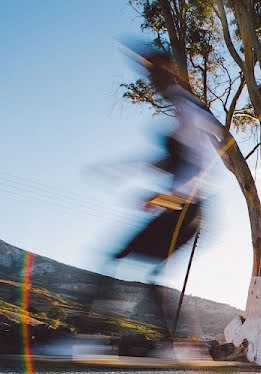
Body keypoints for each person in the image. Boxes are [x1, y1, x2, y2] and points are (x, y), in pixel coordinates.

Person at [92, 49, 221, 349]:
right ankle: (173, 344)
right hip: (184, 208)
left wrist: (162, 197)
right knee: (142, 269)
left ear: (168, 70)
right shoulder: (182, 110)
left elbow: (196, 168)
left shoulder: (187, 108)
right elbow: (170, 161)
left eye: (153, 74)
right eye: (149, 75)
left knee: (119, 257)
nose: (151, 82)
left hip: (187, 209)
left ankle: (89, 336)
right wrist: (121, 170)